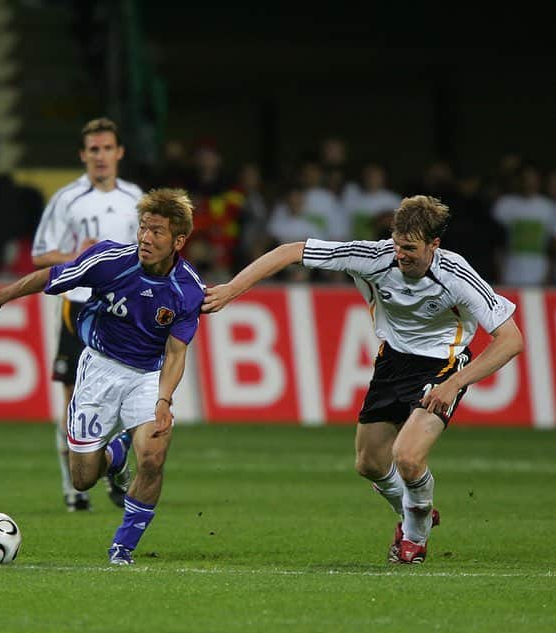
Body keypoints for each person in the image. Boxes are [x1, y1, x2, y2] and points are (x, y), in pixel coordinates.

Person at [202, 195, 524, 564]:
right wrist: (231, 289)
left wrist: (455, 383)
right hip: (392, 362)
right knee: (369, 464)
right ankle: (413, 509)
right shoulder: (372, 256)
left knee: (407, 456)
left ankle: (414, 537)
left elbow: (511, 340)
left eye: (410, 248)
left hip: (443, 365)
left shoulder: (456, 274)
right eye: (397, 244)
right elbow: (290, 251)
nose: (400, 254)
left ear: (434, 245)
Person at [0, 187, 203, 564]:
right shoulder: (110, 260)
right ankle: (116, 452)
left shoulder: (188, 290)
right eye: (143, 227)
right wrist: (0, 297)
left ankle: (122, 549)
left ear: (178, 240)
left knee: (155, 456)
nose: (145, 237)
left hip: (147, 376)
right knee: (83, 478)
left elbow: (177, 352)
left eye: (157, 231)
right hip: (99, 368)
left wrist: (163, 399)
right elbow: (50, 277)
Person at [30, 117, 143, 512]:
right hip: (79, 307)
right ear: (83, 155)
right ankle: (73, 488)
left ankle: (116, 466)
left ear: (119, 153)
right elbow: (41, 255)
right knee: (72, 399)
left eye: (107, 148)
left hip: (127, 309)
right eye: (93, 150)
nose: (100, 156)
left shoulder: (135, 199)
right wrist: (80, 256)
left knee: (128, 395)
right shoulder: (67, 200)